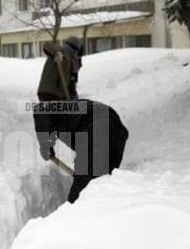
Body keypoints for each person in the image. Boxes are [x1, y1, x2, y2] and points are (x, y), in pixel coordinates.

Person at [33, 36, 128, 203]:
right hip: (118, 131)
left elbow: (41, 112)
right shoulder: (72, 109)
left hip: (96, 128)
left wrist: (45, 146)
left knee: (79, 197)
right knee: (103, 184)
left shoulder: (56, 110)